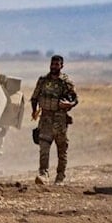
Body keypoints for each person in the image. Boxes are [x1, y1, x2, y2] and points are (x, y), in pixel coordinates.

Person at [30, 55, 78, 184]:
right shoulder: (43, 81)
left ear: (61, 66)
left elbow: (74, 99)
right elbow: (34, 97)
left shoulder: (66, 83)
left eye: (57, 64)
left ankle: (60, 176)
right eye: (52, 64)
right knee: (44, 148)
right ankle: (43, 174)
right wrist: (34, 111)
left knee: (61, 149)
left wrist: (70, 105)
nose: (53, 67)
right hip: (45, 119)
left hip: (60, 120)